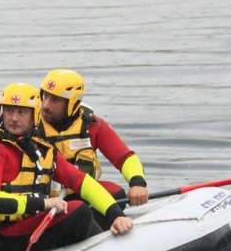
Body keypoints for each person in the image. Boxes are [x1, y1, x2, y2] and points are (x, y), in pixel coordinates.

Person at [0, 82, 134, 251]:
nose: (14, 118)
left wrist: (116, 215)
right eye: (9, 111)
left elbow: (81, 182)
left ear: (34, 114)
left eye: (22, 112)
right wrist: (43, 203)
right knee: (79, 212)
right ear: (0, 113)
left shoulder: (40, 149)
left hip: (24, 227)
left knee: (100, 198)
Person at [37, 68, 150, 206]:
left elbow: (125, 157)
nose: (46, 105)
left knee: (116, 194)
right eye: (45, 96)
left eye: (55, 100)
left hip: (84, 192)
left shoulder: (92, 125)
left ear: (71, 103)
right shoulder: (31, 127)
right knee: (80, 210)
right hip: (44, 201)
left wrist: (138, 183)